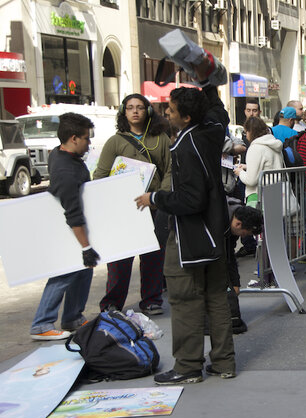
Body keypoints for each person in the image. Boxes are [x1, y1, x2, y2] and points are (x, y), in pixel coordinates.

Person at [135, 56, 235, 385]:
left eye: (172, 110)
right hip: (215, 231)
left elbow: (191, 200)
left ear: (186, 117)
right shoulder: (212, 129)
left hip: (191, 236)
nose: (166, 113)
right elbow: (217, 111)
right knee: (216, 296)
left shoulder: (187, 145)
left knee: (185, 300)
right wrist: (208, 80)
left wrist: (156, 198)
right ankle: (223, 362)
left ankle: (188, 366)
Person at [94, 94, 172, 316]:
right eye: (130, 108)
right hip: (124, 210)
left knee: (153, 257)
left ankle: (151, 299)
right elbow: (101, 175)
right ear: (123, 112)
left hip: (154, 206)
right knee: (120, 260)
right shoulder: (115, 141)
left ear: (148, 111)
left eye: (139, 107)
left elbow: (170, 170)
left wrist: (158, 197)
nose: (135, 111)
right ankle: (112, 303)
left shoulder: (161, 139)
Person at [30, 113, 99, 340]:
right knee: (64, 274)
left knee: (82, 272)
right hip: (68, 229)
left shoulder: (60, 154)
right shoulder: (66, 172)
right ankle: (41, 324)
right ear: (73, 138)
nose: (89, 143)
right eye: (86, 139)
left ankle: (72, 317)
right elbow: (74, 215)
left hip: (70, 227)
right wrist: (86, 247)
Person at [225, 199, 264, 334]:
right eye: (244, 234)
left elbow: (230, 254)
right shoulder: (221, 220)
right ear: (238, 223)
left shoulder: (232, 224)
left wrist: (236, 283)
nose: (244, 237)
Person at [234, 117, 285, 207]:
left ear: (250, 131)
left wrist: (240, 172)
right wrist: (247, 166)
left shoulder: (255, 148)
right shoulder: (274, 144)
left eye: (246, 132)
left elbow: (251, 180)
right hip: (276, 194)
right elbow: (268, 166)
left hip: (258, 196)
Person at [234, 98, 262, 258]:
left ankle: (257, 244)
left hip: (254, 178)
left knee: (255, 212)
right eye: (248, 110)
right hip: (241, 176)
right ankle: (248, 243)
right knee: (243, 211)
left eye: (255, 110)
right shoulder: (239, 132)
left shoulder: (264, 131)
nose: (251, 113)